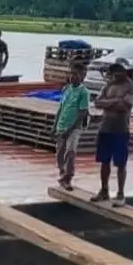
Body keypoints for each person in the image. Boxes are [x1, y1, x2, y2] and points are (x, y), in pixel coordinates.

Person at [91, 62, 133, 207]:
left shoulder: (132, 86)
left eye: (119, 71)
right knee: (104, 162)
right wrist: (115, 101)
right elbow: (97, 102)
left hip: (121, 128)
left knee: (120, 163)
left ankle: (120, 193)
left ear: (126, 71)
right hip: (105, 127)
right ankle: (104, 190)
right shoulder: (109, 85)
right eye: (114, 72)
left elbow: (125, 106)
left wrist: (109, 103)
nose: (116, 74)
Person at [52, 63, 90, 191]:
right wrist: (55, 125)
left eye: (76, 74)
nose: (72, 76)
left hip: (74, 128)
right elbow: (61, 108)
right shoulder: (66, 89)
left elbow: (82, 113)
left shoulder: (84, 93)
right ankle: (62, 174)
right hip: (61, 125)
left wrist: (70, 129)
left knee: (70, 151)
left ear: (82, 76)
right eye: (71, 73)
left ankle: (68, 177)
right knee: (59, 153)